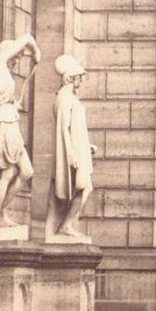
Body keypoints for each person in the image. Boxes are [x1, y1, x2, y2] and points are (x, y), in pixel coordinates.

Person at [0, 33, 41, 228]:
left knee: (26, 171)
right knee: (6, 173)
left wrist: (11, 106)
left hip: (8, 120)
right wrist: (35, 50)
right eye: (16, 56)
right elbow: (26, 37)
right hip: (3, 122)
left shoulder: (2, 73)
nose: (17, 60)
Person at [49, 54, 95, 239]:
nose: (81, 81)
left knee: (84, 187)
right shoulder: (63, 98)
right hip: (73, 152)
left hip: (79, 150)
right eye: (78, 77)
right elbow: (63, 130)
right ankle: (65, 226)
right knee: (82, 187)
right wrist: (71, 155)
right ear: (70, 77)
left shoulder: (71, 98)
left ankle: (65, 225)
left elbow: (75, 129)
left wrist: (86, 146)